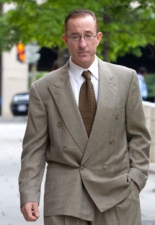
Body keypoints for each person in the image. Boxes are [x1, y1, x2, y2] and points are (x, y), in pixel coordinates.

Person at [19, 9, 150, 225]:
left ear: (98, 38)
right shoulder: (43, 88)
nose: (82, 43)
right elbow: (34, 148)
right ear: (65, 39)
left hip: (117, 193)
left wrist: (135, 180)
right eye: (75, 36)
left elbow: (139, 137)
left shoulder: (126, 79)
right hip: (65, 196)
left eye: (88, 35)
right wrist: (29, 193)